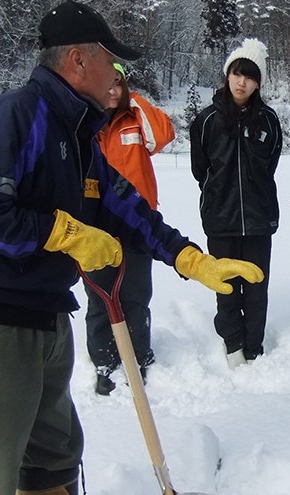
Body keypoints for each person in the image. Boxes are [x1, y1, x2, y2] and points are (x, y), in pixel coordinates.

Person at [0, 2, 263, 495]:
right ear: (79, 60)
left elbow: (128, 209)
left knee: (54, 456)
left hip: (43, 322)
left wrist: (190, 259)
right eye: (111, 60)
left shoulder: (81, 138)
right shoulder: (11, 116)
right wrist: (65, 233)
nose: (117, 74)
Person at [84, 62, 175, 395]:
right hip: (95, 230)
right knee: (99, 301)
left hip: (138, 225)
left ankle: (138, 358)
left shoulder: (135, 119)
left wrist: (133, 99)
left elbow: (163, 134)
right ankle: (105, 364)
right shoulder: (87, 127)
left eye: (118, 84)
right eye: (106, 83)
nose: (111, 91)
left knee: (136, 297)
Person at [191, 38, 283, 369]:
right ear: (227, 75)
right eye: (236, 74)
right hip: (221, 219)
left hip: (258, 220)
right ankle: (233, 345)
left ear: (258, 82)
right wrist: (218, 195)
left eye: (250, 76)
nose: (241, 82)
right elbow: (200, 170)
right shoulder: (206, 121)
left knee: (256, 287)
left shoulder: (269, 121)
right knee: (226, 287)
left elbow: (270, 164)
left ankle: (254, 346)